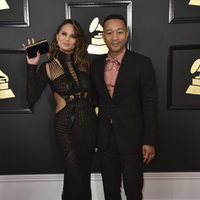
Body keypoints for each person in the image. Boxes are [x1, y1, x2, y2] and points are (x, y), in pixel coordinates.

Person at [25, 19, 96, 200]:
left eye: (72, 36)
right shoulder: (48, 66)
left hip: (88, 123)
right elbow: (32, 97)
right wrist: (32, 66)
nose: (67, 39)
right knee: (75, 175)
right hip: (65, 125)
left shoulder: (85, 63)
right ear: (57, 36)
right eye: (64, 34)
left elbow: (96, 96)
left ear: (77, 41)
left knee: (83, 176)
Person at [90, 14, 158, 200]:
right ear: (103, 36)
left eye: (119, 32)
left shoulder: (142, 63)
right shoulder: (95, 66)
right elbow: (94, 101)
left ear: (126, 34)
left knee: (133, 190)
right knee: (110, 192)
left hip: (133, 138)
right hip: (105, 139)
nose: (114, 37)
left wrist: (149, 140)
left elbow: (150, 104)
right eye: (109, 32)